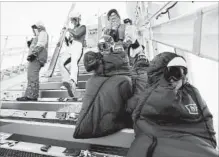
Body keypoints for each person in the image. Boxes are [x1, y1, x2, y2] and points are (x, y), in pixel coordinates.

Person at [127, 52, 218, 157]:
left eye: (184, 71)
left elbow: (207, 130)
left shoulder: (192, 93)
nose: (180, 76)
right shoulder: (153, 94)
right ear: (163, 74)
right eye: (175, 71)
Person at [73, 35, 133, 138]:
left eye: (104, 46)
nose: (102, 50)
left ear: (112, 46)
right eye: (100, 47)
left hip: (99, 125)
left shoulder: (122, 77)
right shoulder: (95, 76)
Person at [16, 21, 49, 101]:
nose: (33, 31)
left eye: (34, 29)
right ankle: (30, 94)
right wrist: (30, 45)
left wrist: (34, 54)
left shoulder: (43, 33)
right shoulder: (38, 36)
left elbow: (41, 44)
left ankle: (32, 96)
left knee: (32, 76)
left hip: (37, 58)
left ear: (38, 28)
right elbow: (38, 44)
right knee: (31, 76)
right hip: (36, 58)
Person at [58, 12, 86, 99]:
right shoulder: (72, 29)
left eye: (75, 19)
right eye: (72, 20)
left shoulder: (82, 27)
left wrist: (68, 29)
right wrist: (64, 35)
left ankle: (73, 82)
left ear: (78, 19)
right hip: (72, 46)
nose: (73, 21)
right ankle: (66, 81)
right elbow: (68, 42)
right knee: (61, 62)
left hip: (78, 45)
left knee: (74, 62)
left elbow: (77, 35)